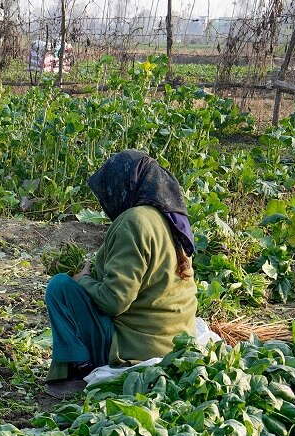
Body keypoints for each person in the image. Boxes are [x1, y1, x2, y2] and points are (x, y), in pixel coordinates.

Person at [44, 150, 197, 396]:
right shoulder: (168, 217)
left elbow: (115, 301)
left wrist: (83, 280)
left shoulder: (134, 221)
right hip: (176, 338)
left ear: (124, 186)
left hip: (140, 346)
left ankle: (80, 370)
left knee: (60, 288)